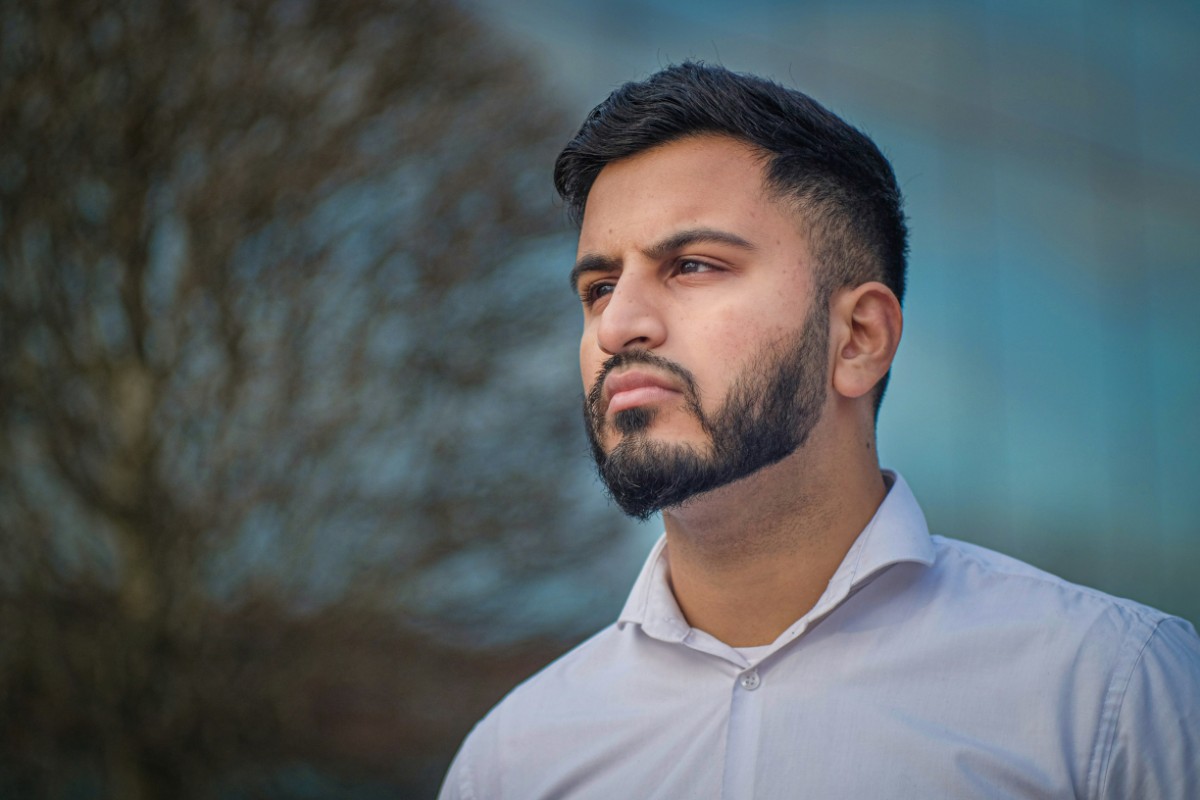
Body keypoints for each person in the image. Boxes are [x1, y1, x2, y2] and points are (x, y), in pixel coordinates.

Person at [438, 62, 1200, 799]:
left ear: (859, 338)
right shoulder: (513, 762)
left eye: (694, 266)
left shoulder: (1112, 694)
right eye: (599, 287)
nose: (619, 325)